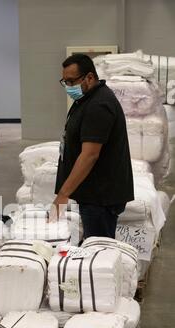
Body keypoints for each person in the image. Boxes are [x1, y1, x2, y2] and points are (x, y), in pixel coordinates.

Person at [52, 53, 134, 240]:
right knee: (93, 246)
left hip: (100, 197)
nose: (68, 87)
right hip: (93, 194)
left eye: (72, 81)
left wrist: (64, 194)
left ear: (89, 77)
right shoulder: (87, 99)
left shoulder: (99, 105)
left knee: (99, 255)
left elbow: (90, 155)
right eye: (65, 82)